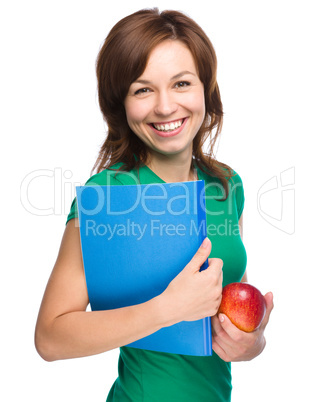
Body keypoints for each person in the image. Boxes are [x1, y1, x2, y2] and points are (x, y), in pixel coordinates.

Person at [35, 8, 273, 401]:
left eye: (181, 83)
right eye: (142, 89)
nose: (165, 107)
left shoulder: (227, 186)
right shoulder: (107, 196)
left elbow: (226, 308)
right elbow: (50, 337)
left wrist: (252, 343)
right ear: (121, 103)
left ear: (205, 90)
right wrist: (166, 309)